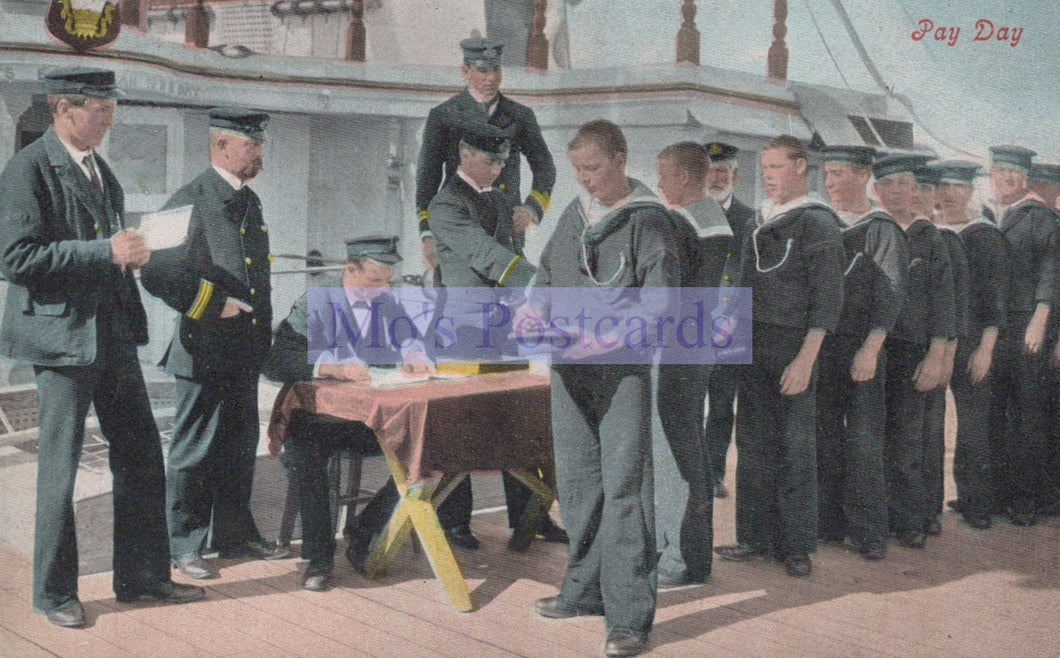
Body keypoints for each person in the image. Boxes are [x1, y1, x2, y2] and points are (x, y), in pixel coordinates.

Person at [0, 67, 204, 628]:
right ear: (63, 109)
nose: (108, 122)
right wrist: (105, 252)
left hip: (111, 335)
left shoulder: (97, 168)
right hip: (63, 341)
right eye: (99, 112)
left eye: (111, 111)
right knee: (59, 470)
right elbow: (15, 259)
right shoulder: (26, 169)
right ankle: (53, 594)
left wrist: (133, 251)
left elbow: (104, 248)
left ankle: (143, 577)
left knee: (141, 456)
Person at [526, 119, 682, 657]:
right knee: (577, 485)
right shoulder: (575, 214)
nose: (584, 180)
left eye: (592, 169)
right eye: (577, 171)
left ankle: (629, 617)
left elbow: (661, 307)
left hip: (621, 373)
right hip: (569, 369)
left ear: (619, 160)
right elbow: (546, 277)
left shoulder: (649, 223)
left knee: (624, 491)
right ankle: (583, 591)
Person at [140, 108, 288, 580]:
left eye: (259, 145)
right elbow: (157, 272)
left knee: (238, 445)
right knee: (193, 450)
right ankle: (183, 545)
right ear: (220, 146)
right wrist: (212, 302)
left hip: (243, 350)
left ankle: (232, 536)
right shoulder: (187, 200)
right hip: (203, 348)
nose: (259, 153)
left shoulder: (250, 201)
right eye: (250, 145)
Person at [261, 236, 437, 591]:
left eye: (388, 281)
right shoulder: (316, 302)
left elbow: (410, 343)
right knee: (309, 455)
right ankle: (318, 558)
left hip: (373, 418)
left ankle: (363, 530)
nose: (382, 289)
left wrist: (415, 354)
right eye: (373, 281)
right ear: (349, 269)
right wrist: (329, 366)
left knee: (434, 445)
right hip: (321, 420)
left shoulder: (388, 304)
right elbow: (276, 362)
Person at [428, 124, 567, 549]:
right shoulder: (445, 203)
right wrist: (542, 281)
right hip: (464, 329)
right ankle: (454, 522)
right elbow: (487, 256)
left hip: (504, 327)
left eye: (504, 161)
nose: (498, 168)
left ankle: (530, 517)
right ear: (464, 156)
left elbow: (514, 252)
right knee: (461, 425)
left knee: (516, 420)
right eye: (491, 160)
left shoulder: (503, 198)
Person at [713, 135, 844, 578]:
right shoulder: (756, 220)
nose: (767, 176)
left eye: (776, 167)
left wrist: (806, 359)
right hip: (752, 344)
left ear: (801, 167)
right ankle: (754, 536)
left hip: (794, 348)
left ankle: (796, 545)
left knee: (795, 447)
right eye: (763, 169)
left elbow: (828, 300)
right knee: (751, 442)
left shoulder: (817, 224)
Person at [814, 145, 907, 561]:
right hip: (824, 344)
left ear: (863, 176)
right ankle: (829, 524)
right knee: (825, 435)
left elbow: (891, 297)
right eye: (827, 173)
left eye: (839, 173)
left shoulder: (882, 229)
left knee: (865, 443)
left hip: (865, 346)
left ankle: (869, 531)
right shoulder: (823, 222)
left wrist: (871, 349)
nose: (830, 182)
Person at [651, 141, 732, 586]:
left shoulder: (678, 222)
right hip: (699, 346)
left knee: (672, 455)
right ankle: (693, 557)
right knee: (692, 450)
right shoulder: (715, 218)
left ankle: (679, 559)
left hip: (673, 347)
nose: (659, 184)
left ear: (683, 177)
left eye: (663, 175)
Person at [416, 38, 555, 273]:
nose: (491, 78)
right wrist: (427, 234)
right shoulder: (443, 116)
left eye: (496, 69)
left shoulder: (521, 115)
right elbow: (427, 180)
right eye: (482, 70)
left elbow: (545, 169)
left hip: (505, 224)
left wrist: (532, 210)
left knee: (508, 290)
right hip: (460, 223)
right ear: (465, 71)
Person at [874, 154, 955, 549]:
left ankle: (913, 520)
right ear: (877, 190)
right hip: (874, 349)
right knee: (876, 437)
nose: (897, 192)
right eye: (888, 185)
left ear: (915, 191)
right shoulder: (871, 230)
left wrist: (937, 355)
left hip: (914, 350)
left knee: (909, 440)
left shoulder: (932, 238)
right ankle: (882, 515)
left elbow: (944, 303)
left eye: (904, 185)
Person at [934, 161, 1009, 530]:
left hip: (972, 342)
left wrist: (986, 349)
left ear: (968, 192)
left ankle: (977, 502)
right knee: (929, 425)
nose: (947, 194)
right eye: (941, 186)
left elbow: (995, 301)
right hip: (935, 341)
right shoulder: (931, 231)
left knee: (973, 426)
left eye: (955, 187)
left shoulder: (985, 236)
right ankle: (928, 504)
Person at [987, 145, 1059, 527]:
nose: (1002, 180)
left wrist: (1040, 317)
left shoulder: (1041, 217)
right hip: (1003, 327)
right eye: (997, 173)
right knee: (1003, 411)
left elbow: (1051, 270)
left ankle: (1027, 500)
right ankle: (1002, 494)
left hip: (1029, 327)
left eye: (1010, 174)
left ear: (1025, 179)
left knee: (1029, 415)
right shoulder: (1004, 216)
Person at [915, 164, 968, 537]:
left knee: (928, 434)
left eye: (924, 190)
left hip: (931, 350)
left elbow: (956, 305)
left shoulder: (946, 240)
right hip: (895, 350)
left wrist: (946, 356)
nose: (916, 196)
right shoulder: (893, 233)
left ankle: (928, 510)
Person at [702, 141, 754, 498]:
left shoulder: (749, 219)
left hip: (731, 323)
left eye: (723, 172)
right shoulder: (684, 212)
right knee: (686, 399)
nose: (716, 178)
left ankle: (713, 472)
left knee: (721, 404)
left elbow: (747, 272)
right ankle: (687, 469)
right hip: (689, 322)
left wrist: (731, 317)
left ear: (735, 176)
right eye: (711, 171)